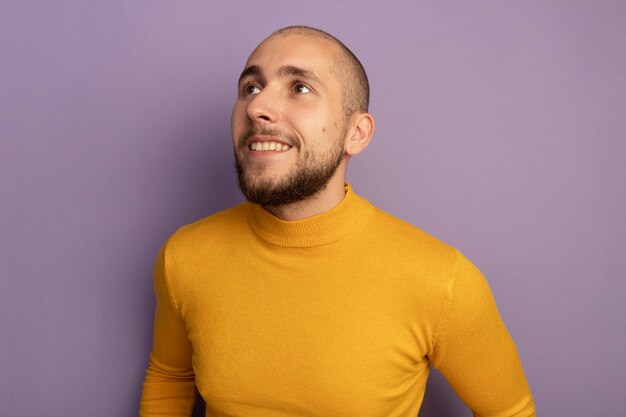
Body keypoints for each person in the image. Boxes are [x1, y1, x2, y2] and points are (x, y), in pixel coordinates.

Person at [140, 26, 535, 417]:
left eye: (299, 88)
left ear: (356, 134)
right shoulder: (185, 256)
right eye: (251, 87)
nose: (256, 107)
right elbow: (170, 380)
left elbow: (510, 411)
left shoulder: (442, 281)